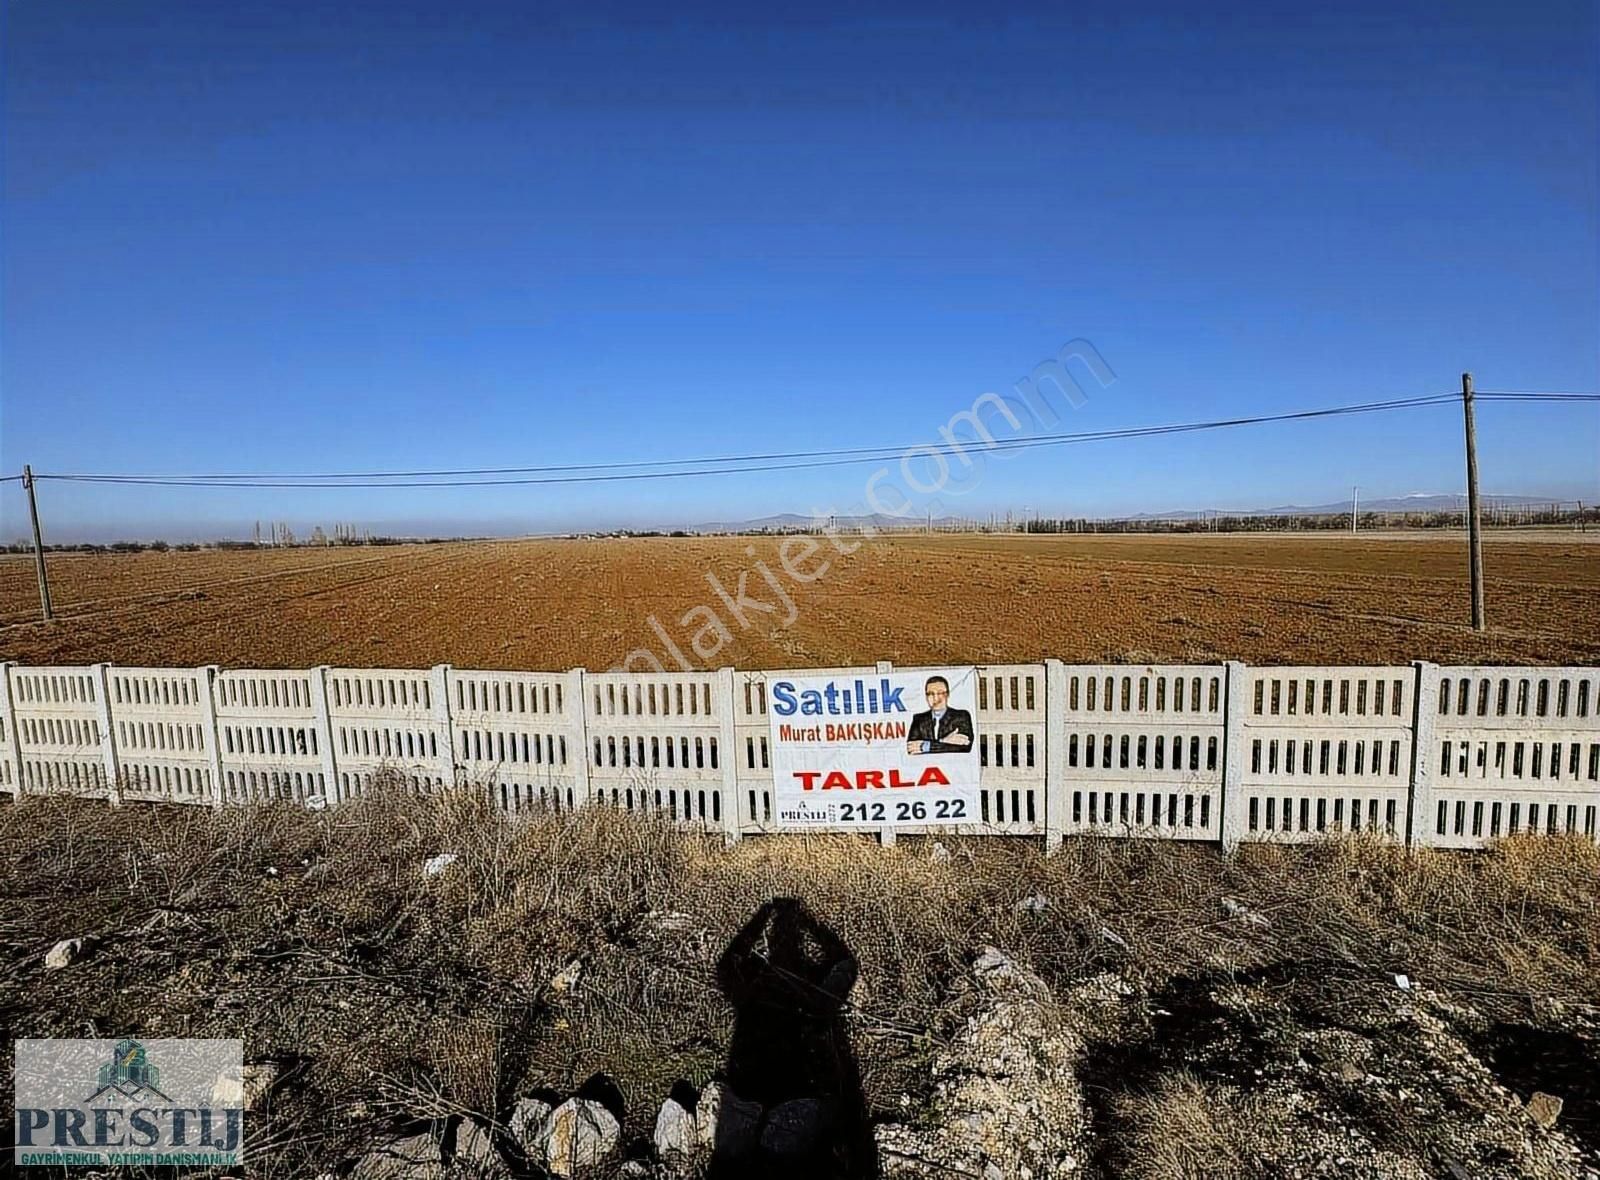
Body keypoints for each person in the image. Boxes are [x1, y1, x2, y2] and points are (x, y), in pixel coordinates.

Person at [905, 675, 973, 755]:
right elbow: (911, 748)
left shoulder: (961, 716)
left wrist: (925, 747)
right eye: (930, 694)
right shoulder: (918, 719)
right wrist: (944, 741)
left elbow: (964, 747)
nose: (935, 698)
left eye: (940, 693)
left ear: (947, 694)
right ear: (926, 697)